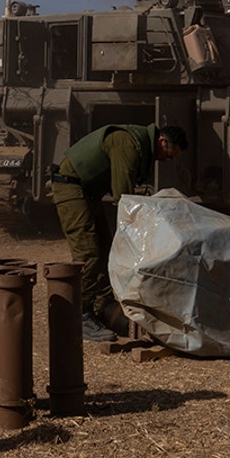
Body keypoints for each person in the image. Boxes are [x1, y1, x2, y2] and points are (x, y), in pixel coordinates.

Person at [50, 122, 188, 342]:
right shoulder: (129, 143)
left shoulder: (138, 145)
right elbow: (123, 196)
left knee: (104, 249)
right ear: (162, 141)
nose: (165, 160)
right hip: (71, 187)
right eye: (168, 155)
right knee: (88, 253)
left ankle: (102, 306)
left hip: (87, 193)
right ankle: (80, 315)